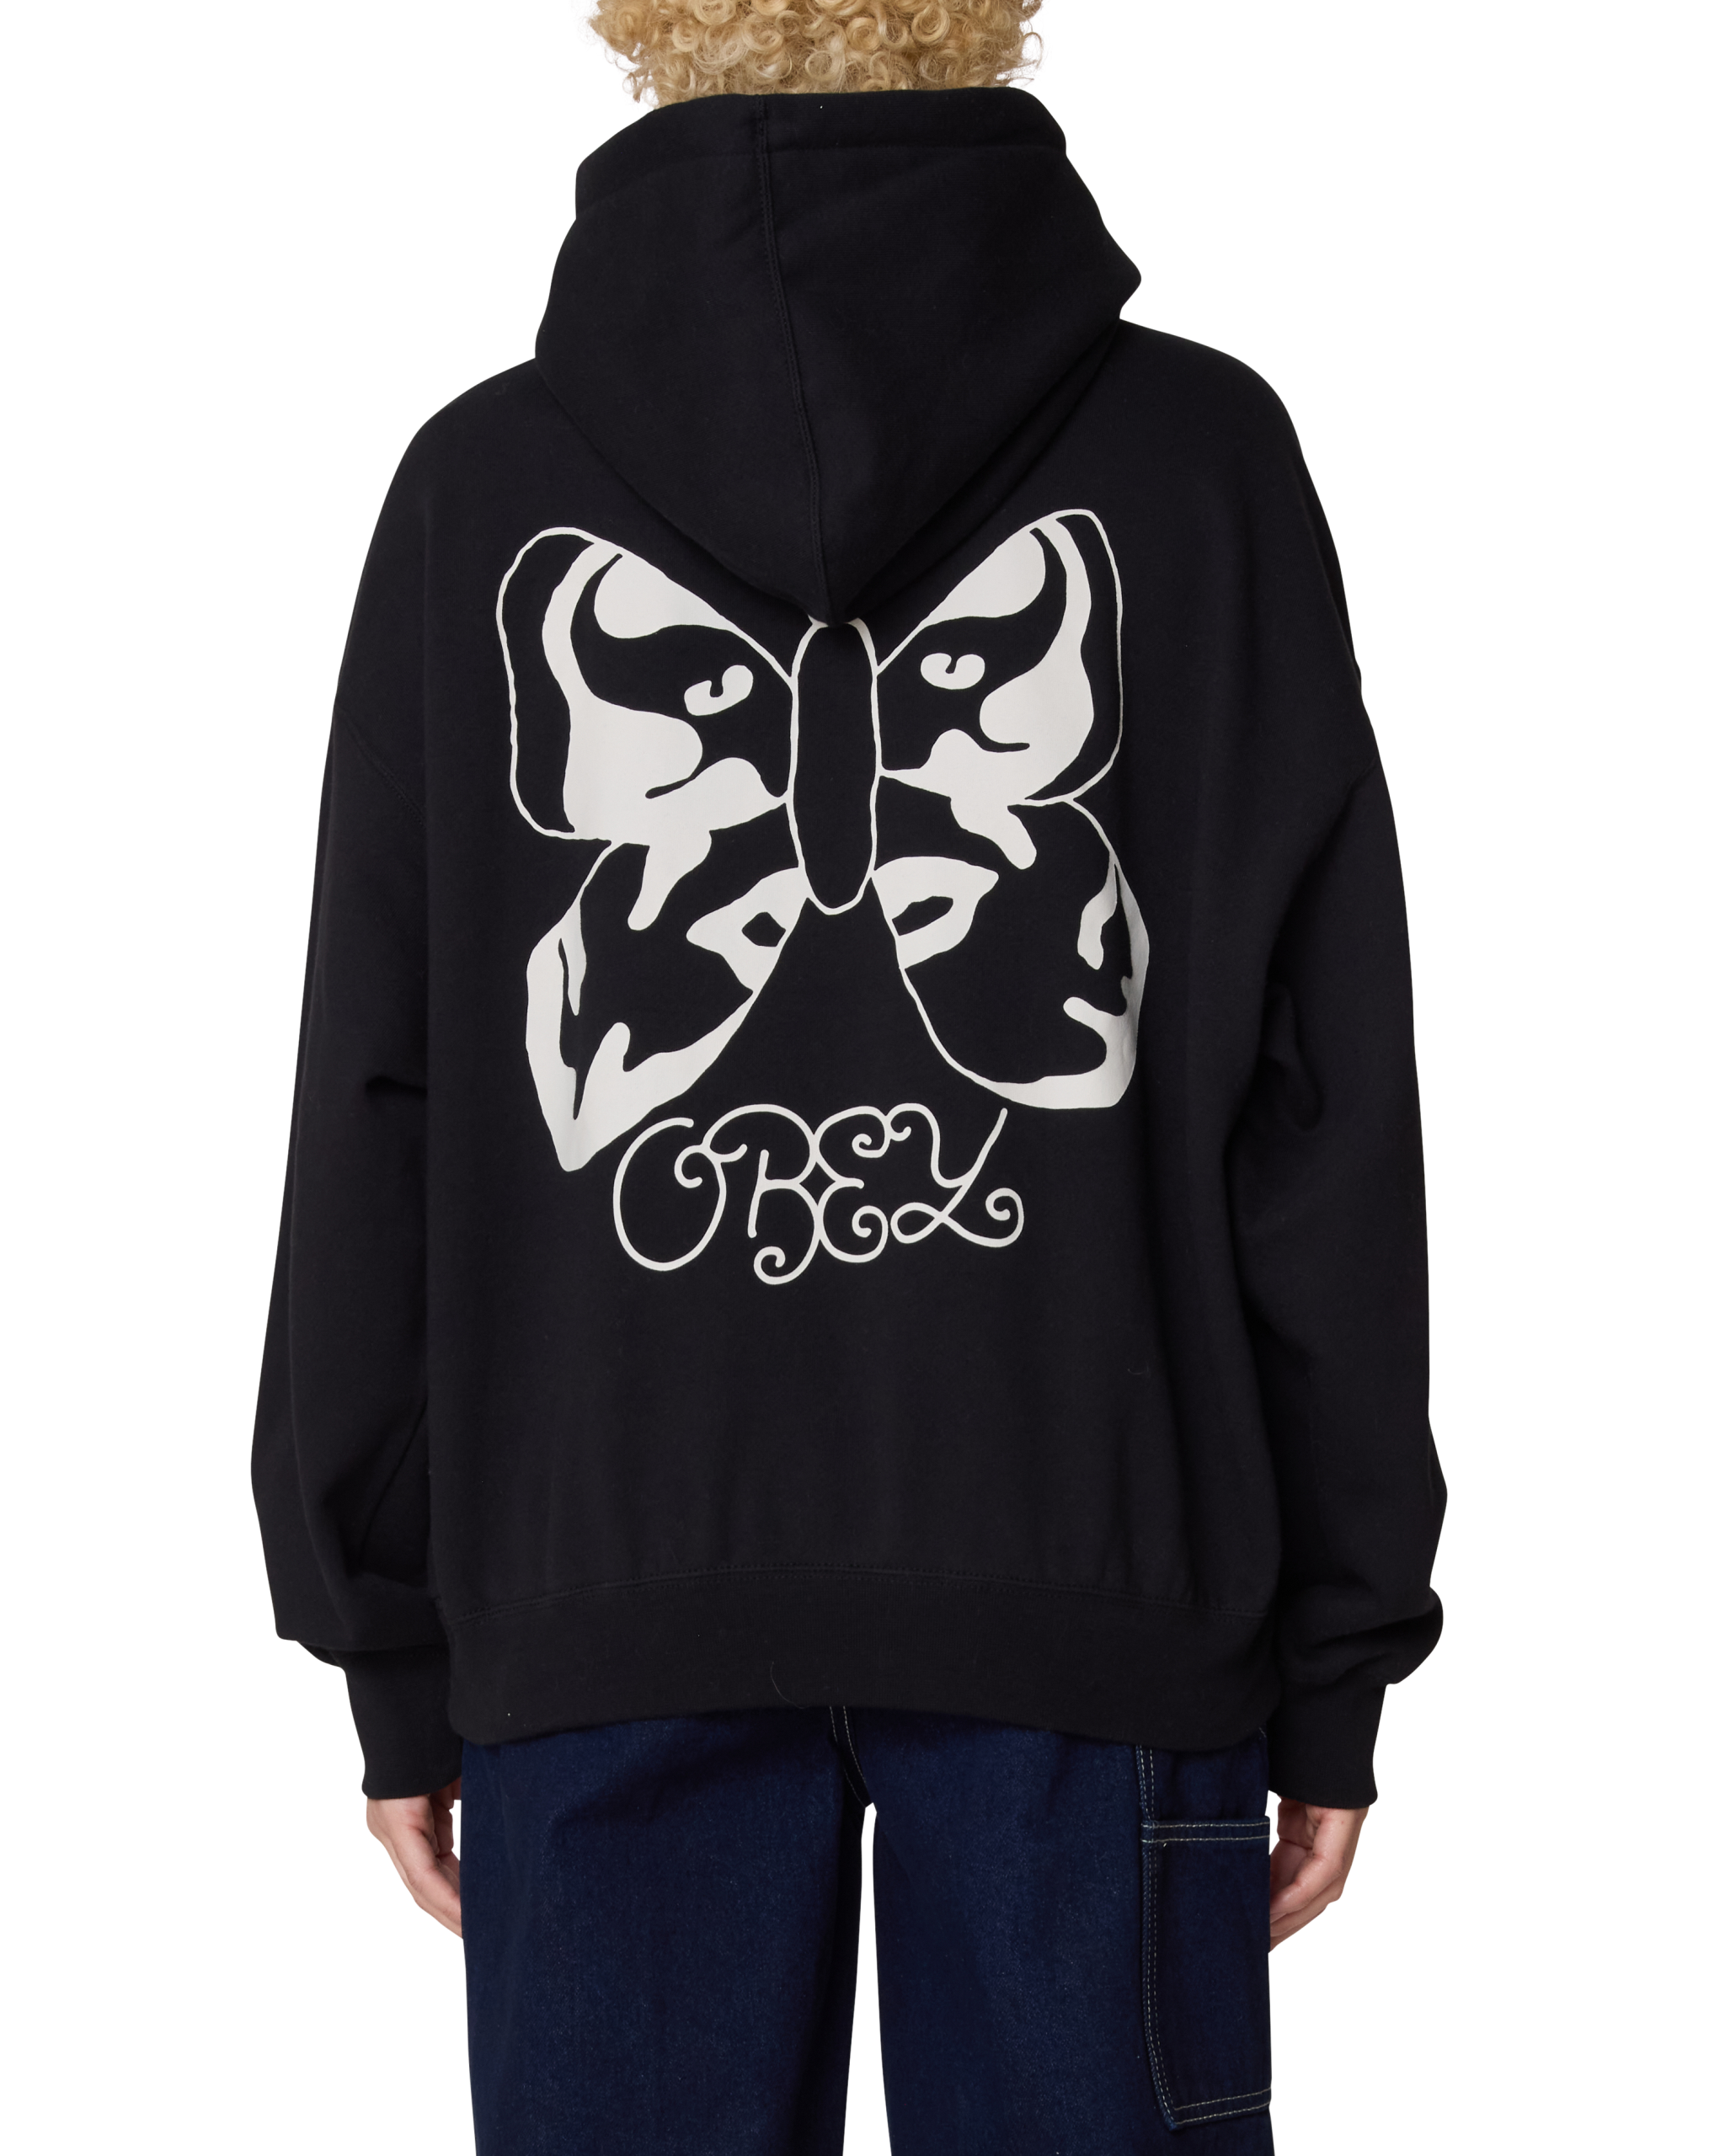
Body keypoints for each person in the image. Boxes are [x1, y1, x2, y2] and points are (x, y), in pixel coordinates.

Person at [252, 3, 1445, 2147]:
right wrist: (1343, 1648)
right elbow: (1328, 1102)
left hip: (598, 1605)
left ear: (638, 27)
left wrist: (388, 1637)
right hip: (1106, 1589)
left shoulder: (472, 488)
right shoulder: (1206, 460)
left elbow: (375, 1097)